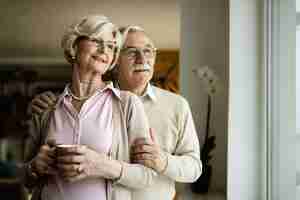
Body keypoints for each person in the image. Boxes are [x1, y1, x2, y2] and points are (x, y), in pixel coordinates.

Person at [31, 25, 202, 200]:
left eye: (148, 51)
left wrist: (163, 161)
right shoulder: (93, 102)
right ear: (115, 61)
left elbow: (195, 168)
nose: (142, 58)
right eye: (131, 52)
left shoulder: (177, 105)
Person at [24, 15, 156, 200]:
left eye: (111, 46)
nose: (104, 50)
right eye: (96, 40)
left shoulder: (127, 104)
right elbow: (25, 179)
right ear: (74, 45)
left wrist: (101, 165)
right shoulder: (46, 107)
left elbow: (147, 177)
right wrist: (35, 167)